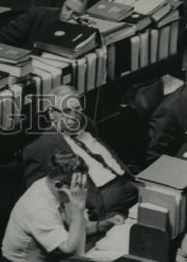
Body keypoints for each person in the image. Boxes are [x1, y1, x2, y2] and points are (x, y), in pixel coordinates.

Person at [23, 85, 138, 217]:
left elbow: (107, 153)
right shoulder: (40, 148)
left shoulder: (87, 124)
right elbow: (38, 195)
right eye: (66, 111)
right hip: (103, 204)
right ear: (51, 113)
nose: (73, 117)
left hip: (130, 183)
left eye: (77, 109)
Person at [0, 0, 92, 50]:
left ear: (85, 15)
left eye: (75, 14)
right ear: (65, 0)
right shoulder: (37, 15)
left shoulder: (85, 29)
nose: (67, 16)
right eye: (67, 8)